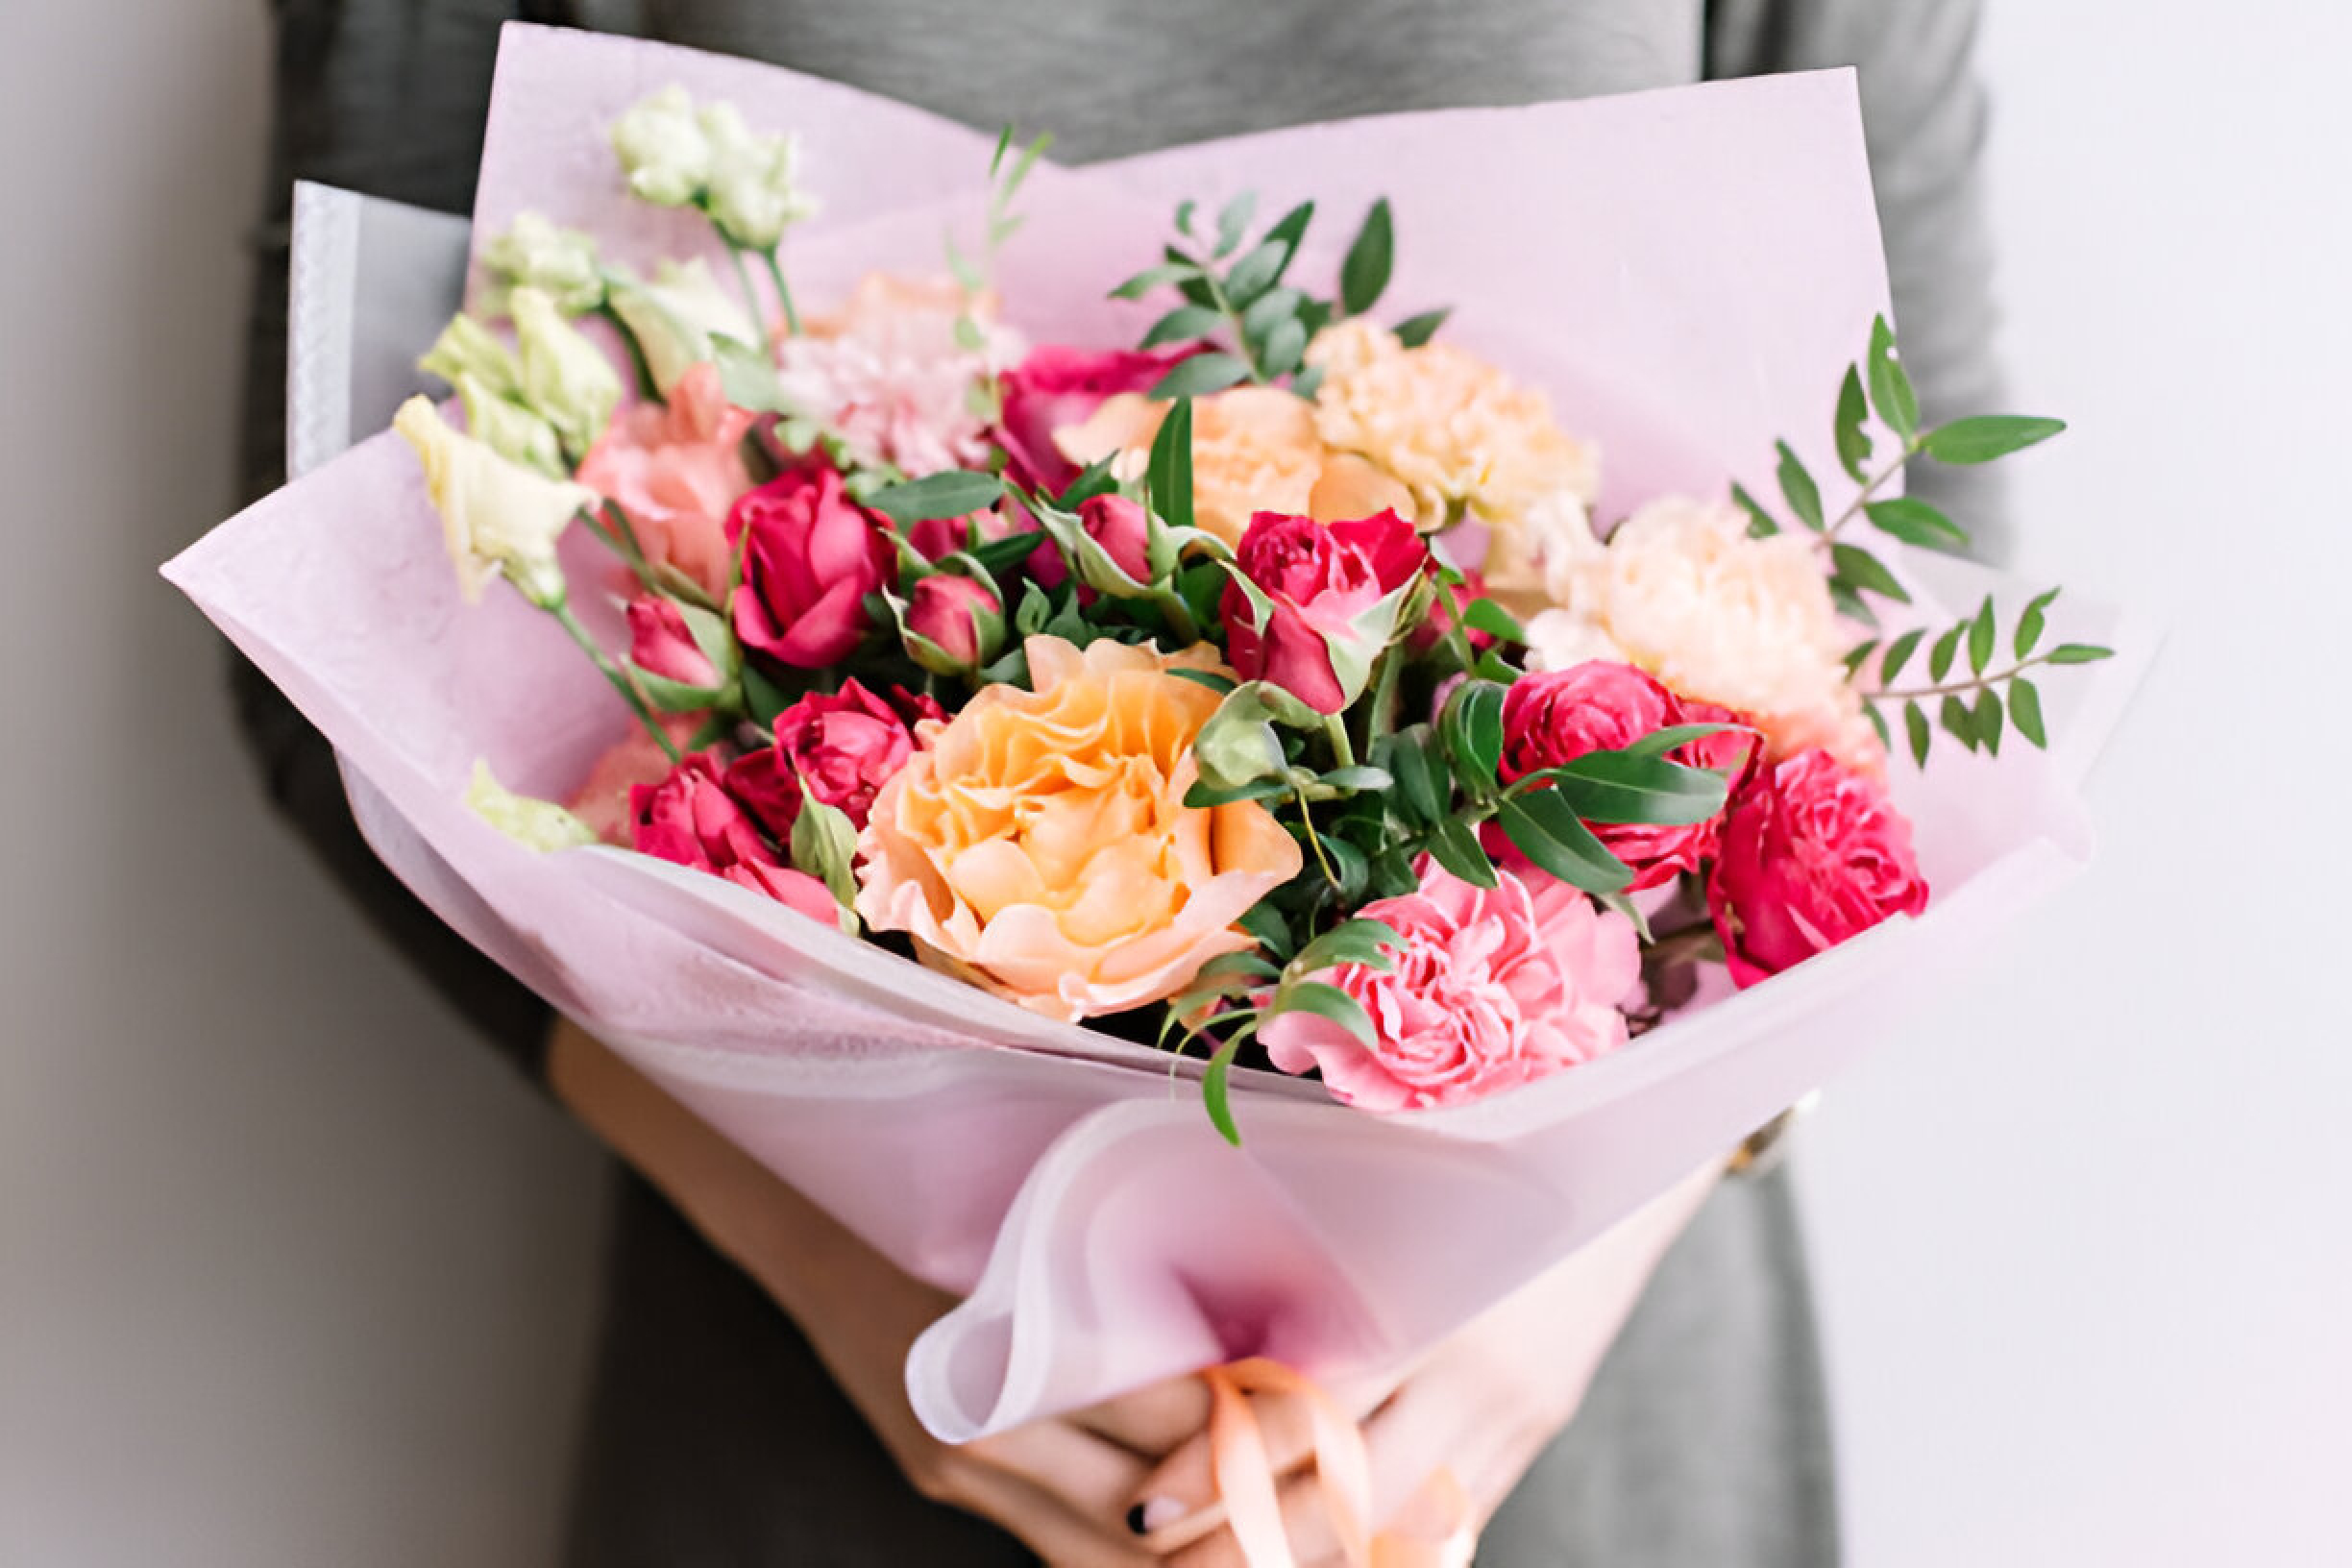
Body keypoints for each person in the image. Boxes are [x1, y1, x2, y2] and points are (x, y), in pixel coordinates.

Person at [234, 2, 2001, 1561]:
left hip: (1567, 1406)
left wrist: (1577, 1268)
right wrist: (848, 1276)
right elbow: (341, 631)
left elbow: (1913, 655)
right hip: (840, 1405)